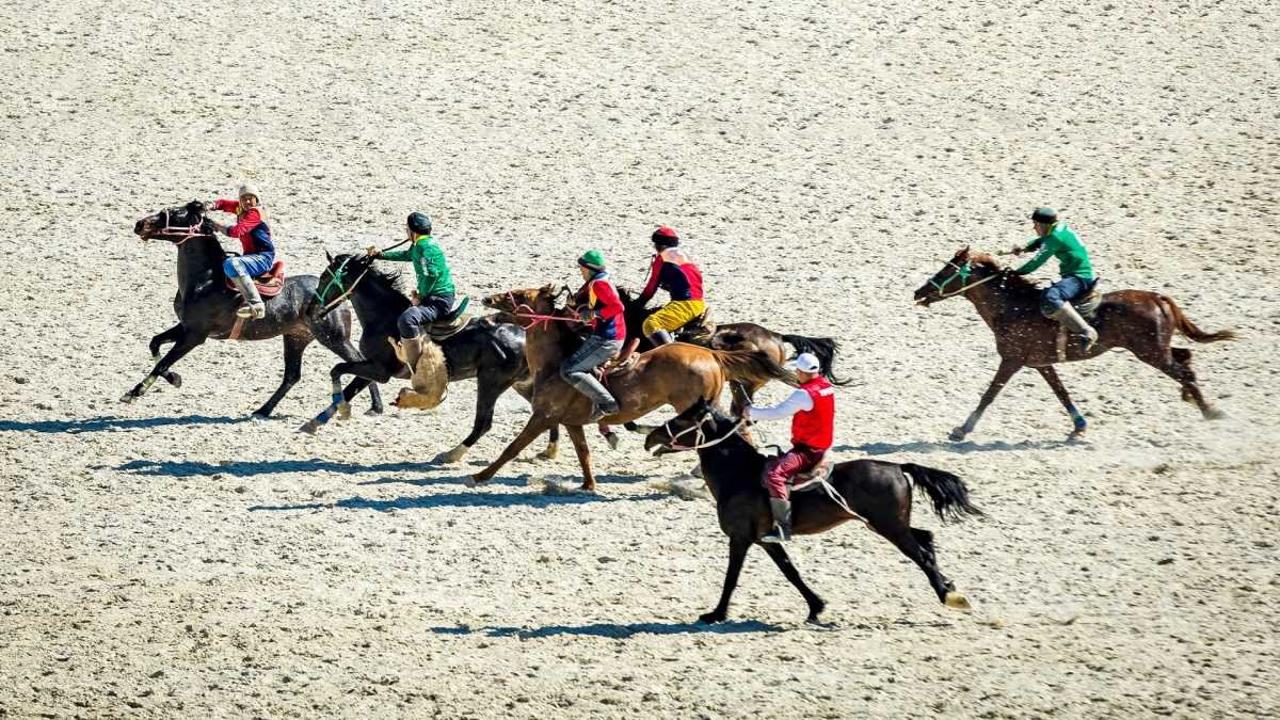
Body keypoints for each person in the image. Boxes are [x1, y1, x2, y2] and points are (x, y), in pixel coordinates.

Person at [744, 352, 835, 544]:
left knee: (774, 475)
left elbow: (778, 412)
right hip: (822, 444)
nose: (796, 374)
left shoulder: (803, 394)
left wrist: (750, 412)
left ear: (801, 372)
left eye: (797, 371)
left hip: (808, 451)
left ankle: (783, 527)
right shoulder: (826, 386)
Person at [367, 212, 455, 375]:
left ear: (413, 232)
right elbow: (408, 255)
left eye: (407, 229)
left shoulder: (424, 247)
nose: (406, 232)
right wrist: (381, 255)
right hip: (435, 296)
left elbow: (431, 275)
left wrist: (420, 298)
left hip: (438, 300)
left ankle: (418, 369)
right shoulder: (420, 245)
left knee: (407, 319)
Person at [1010, 207, 1099, 350]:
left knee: (1052, 297)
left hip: (1079, 278)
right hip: (1079, 275)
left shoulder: (1055, 238)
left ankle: (1086, 331)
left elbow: (1036, 262)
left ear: (1043, 225)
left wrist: (1016, 273)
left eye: (1036, 224)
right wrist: (1024, 247)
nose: (1034, 228)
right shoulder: (1059, 230)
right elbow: (1042, 241)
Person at [615, 226, 705, 363]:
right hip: (697, 302)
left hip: (685, 304)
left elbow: (651, 287)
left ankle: (674, 361)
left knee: (651, 324)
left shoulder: (662, 258)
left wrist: (638, 304)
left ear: (658, 245)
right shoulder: (685, 256)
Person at [563, 250, 626, 421]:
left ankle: (608, 404)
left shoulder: (599, 284)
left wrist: (594, 314)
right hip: (605, 334)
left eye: (582, 269)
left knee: (568, 370)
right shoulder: (597, 281)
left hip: (608, 338)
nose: (581, 272)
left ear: (589, 269)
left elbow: (618, 307)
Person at [208, 183, 275, 319]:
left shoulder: (255, 213)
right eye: (244, 199)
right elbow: (223, 204)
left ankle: (256, 304)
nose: (247, 201)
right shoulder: (241, 209)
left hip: (262, 258)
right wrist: (210, 205)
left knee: (231, 264)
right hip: (250, 256)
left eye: (251, 198)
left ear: (256, 200)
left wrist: (216, 225)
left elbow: (237, 231)